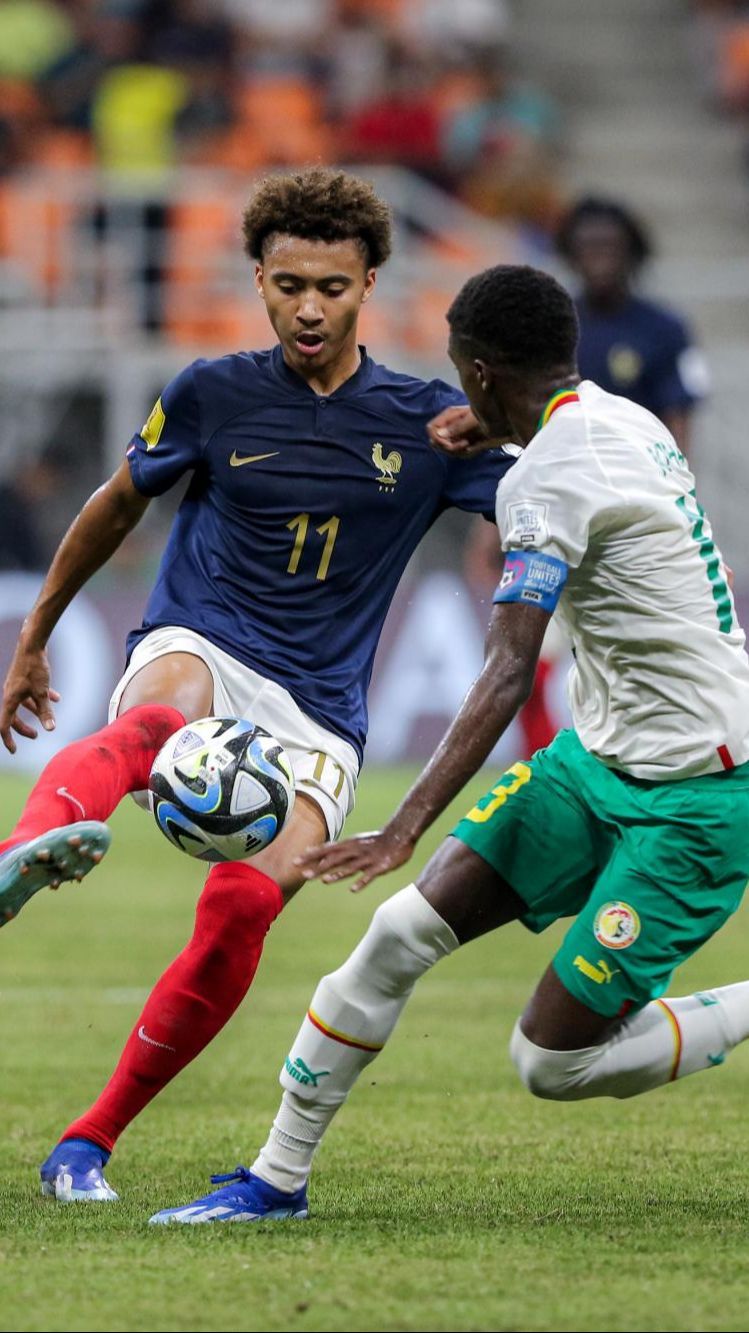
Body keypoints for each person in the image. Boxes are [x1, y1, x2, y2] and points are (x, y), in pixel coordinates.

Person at [147, 262, 749, 1225]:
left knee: (550, 1063)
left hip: (696, 799)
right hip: (595, 759)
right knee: (395, 935)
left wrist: (402, 827)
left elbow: (508, 670)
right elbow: (558, 449)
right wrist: (496, 416)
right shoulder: (616, 415)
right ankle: (275, 1180)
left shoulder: (545, 480)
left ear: (476, 369)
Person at [0, 167, 514, 1203]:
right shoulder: (209, 391)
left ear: (369, 281)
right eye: (287, 286)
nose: (308, 308)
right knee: (160, 709)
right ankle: (17, 859)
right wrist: (36, 636)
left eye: (329, 285)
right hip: (205, 633)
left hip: (318, 706)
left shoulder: (429, 424)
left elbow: (544, 496)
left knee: (239, 909)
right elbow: (112, 506)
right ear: (258, 281)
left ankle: (86, 1143)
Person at [555, 196, 709, 458]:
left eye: (609, 247)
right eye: (588, 247)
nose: (599, 259)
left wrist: (679, 484)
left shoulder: (665, 328)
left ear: (631, 253)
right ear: (571, 255)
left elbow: (678, 414)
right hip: (566, 471)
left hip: (639, 476)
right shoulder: (553, 326)